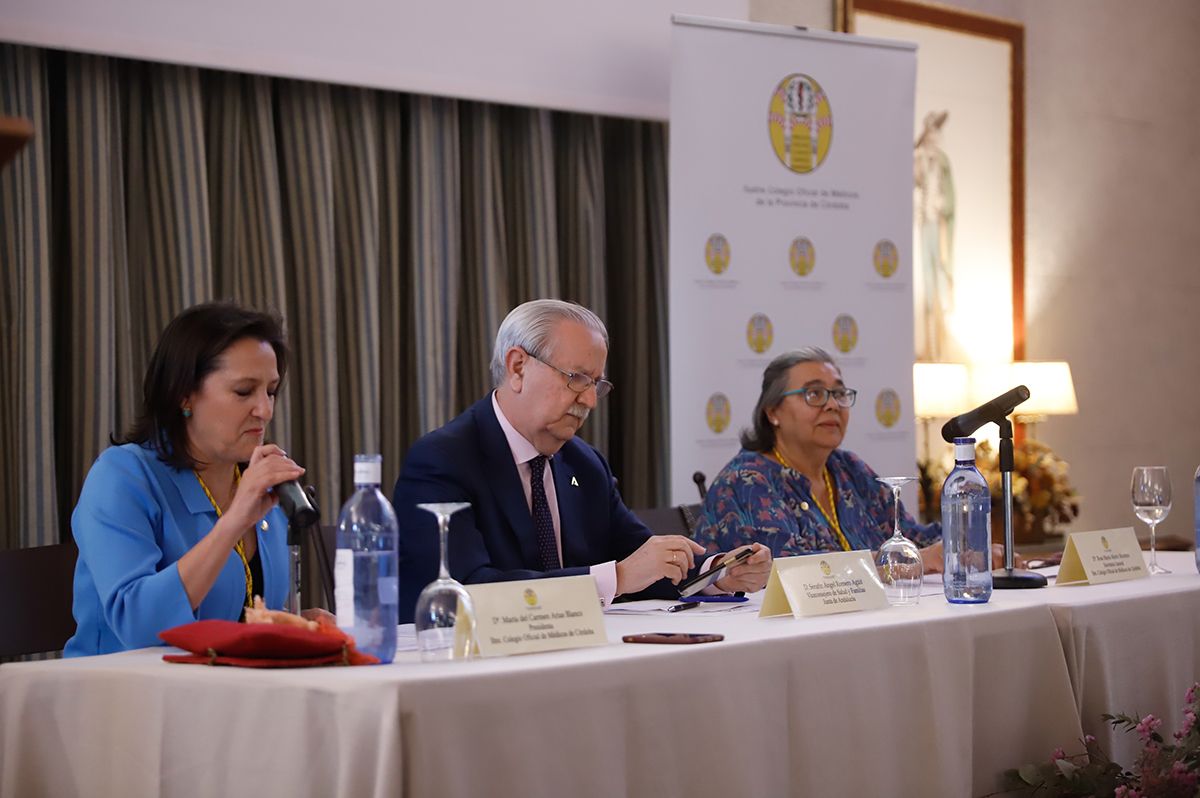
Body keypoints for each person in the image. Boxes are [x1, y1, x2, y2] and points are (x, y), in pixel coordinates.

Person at [393, 299, 771, 623]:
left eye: (596, 384)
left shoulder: (583, 463)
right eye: (576, 378)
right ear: (518, 367)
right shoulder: (442, 460)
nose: (589, 401)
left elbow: (641, 556)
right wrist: (617, 578)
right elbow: (465, 592)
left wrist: (716, 572)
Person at [65, 302, 310, 656]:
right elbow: (139, 626)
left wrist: (291, 624)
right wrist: (234, 520)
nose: (265, 410)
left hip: (223, 694)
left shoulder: (257, 481)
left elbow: (240, 616)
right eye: (244, 391)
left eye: (270, 391)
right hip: (119, 696)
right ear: (184, 395)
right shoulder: (121, 477)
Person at [697, 348, 949, 569]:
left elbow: (912, 536)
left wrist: (964, 543)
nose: (832, 405)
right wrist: (911, 560)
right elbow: (794, 571)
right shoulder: (747, 482)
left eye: (839, 393)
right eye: (814, 394)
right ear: (773, 412)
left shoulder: (850, 469)